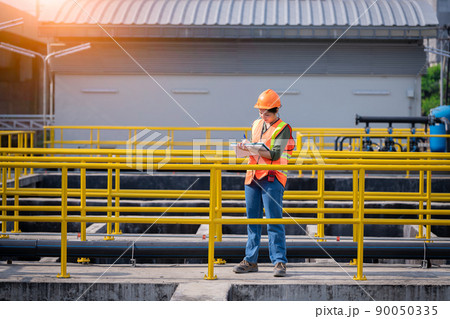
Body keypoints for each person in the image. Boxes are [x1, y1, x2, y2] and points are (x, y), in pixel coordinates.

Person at [233, 89, 295, 277]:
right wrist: (245, 147)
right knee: (253, 221)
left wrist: (254, 149)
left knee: (274, 221)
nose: (262, 115)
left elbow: (275, 154)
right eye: (260, 112)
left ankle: (279, 262)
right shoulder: (256, 124)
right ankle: (251, 260)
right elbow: (257, 147)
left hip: (272, 178)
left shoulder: (284, 128)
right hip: (252, 177)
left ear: (276, 111)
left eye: (266, 113)